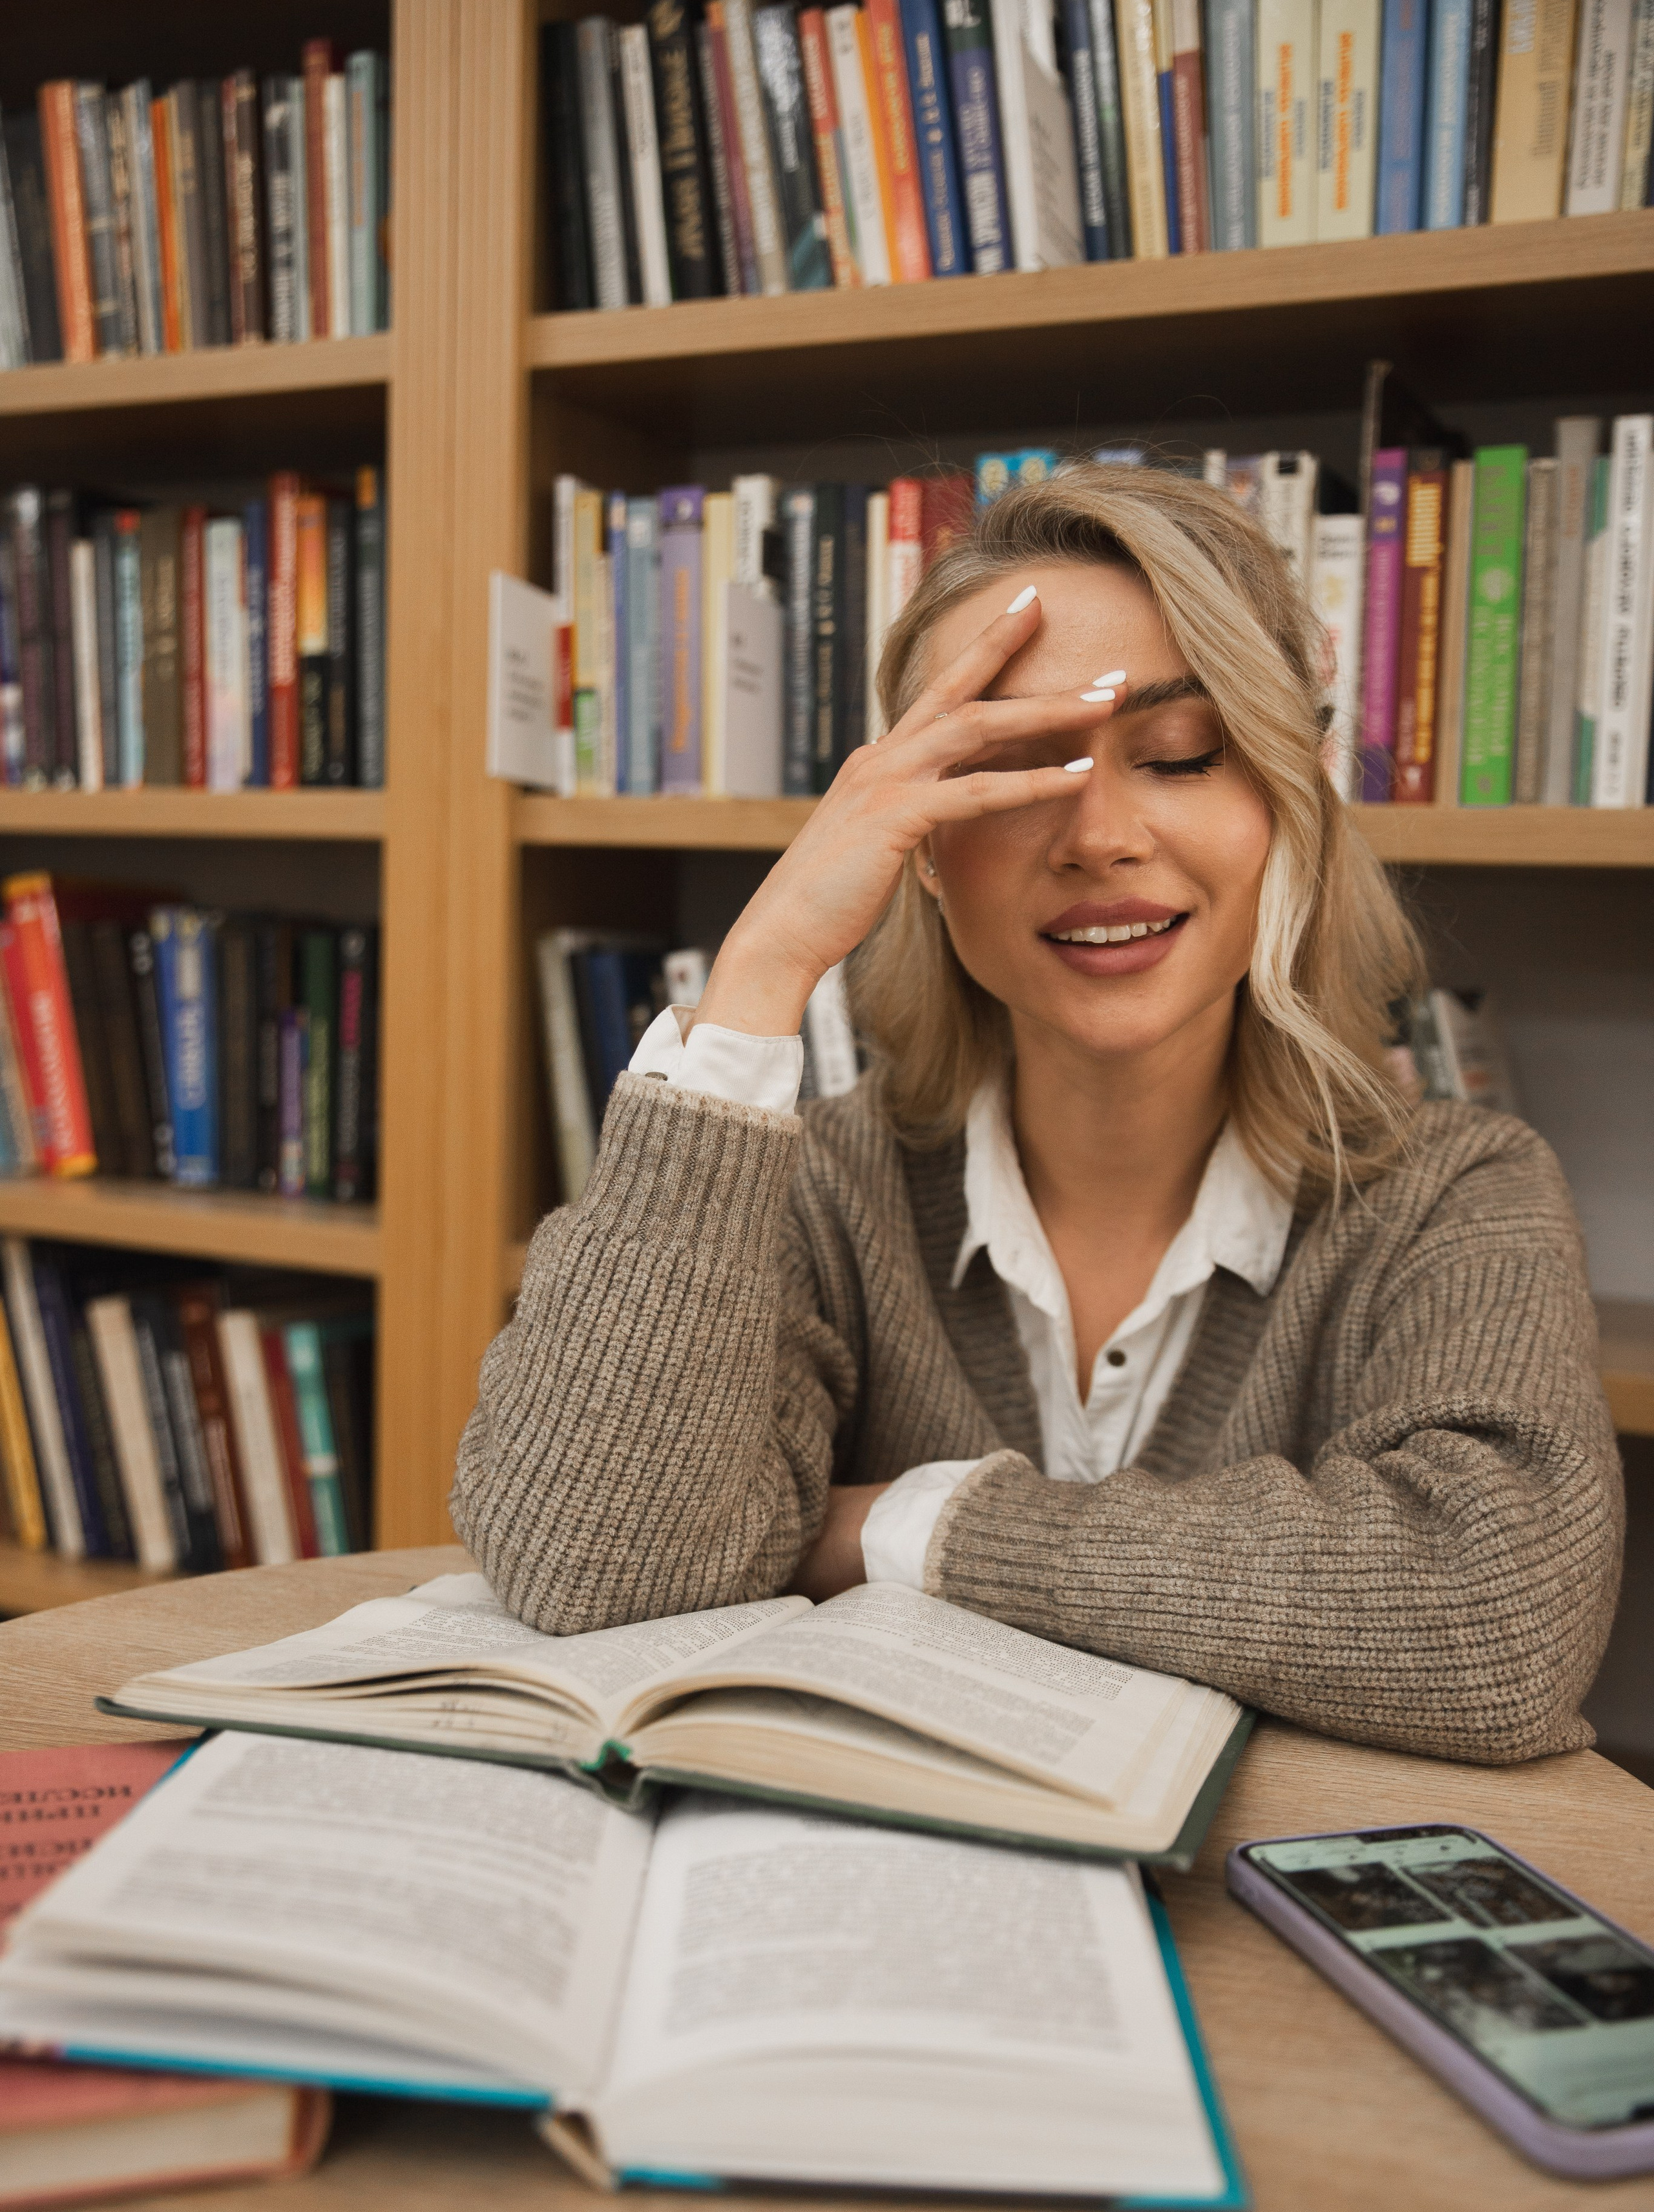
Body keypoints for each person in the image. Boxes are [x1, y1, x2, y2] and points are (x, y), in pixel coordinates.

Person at [453, 461, 1622, 1764]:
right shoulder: (817, 1189)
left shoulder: (1454, 1194)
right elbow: (588, 1561)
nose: (1097, 836)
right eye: (1010, 770)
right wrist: (763, 971)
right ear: (920, 845)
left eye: (1178, 757)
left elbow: (1496, 1624)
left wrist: (908, 1526)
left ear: (1288, 805)